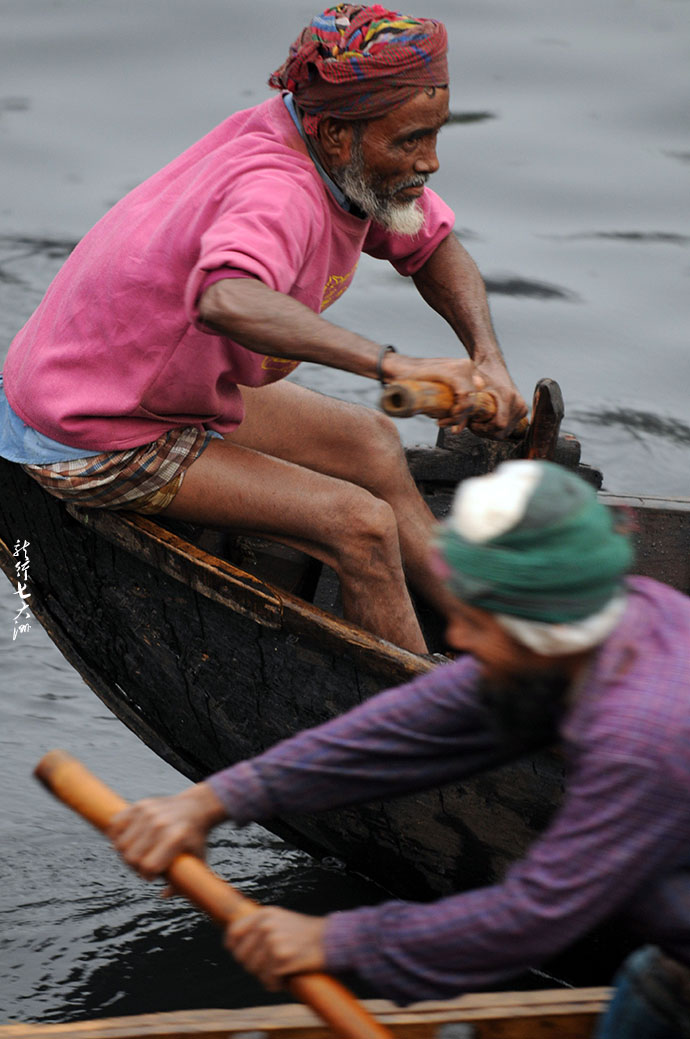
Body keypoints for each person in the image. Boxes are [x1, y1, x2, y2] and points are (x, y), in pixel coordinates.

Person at [0, 5, 527, 654]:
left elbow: (432, 247)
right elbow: (229, 298)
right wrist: (393, 366)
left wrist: (487, 358)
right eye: (411, 141)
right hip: (90, 428)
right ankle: (432, 725)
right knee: (360, 526)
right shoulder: (278, 189)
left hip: (147, 383)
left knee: (372, 442)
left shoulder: (349, 152)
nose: (431, 161)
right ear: (335, 134)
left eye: (434, 134)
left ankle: (499, 643)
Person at [108, 460, 690, 1038]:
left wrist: (331, 939)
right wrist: (214, 801)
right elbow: (421, 721)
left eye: (477, 624)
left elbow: (529, 920)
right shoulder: (619, 614)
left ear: (542, 631)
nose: (455, 640)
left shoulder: (644, 741)